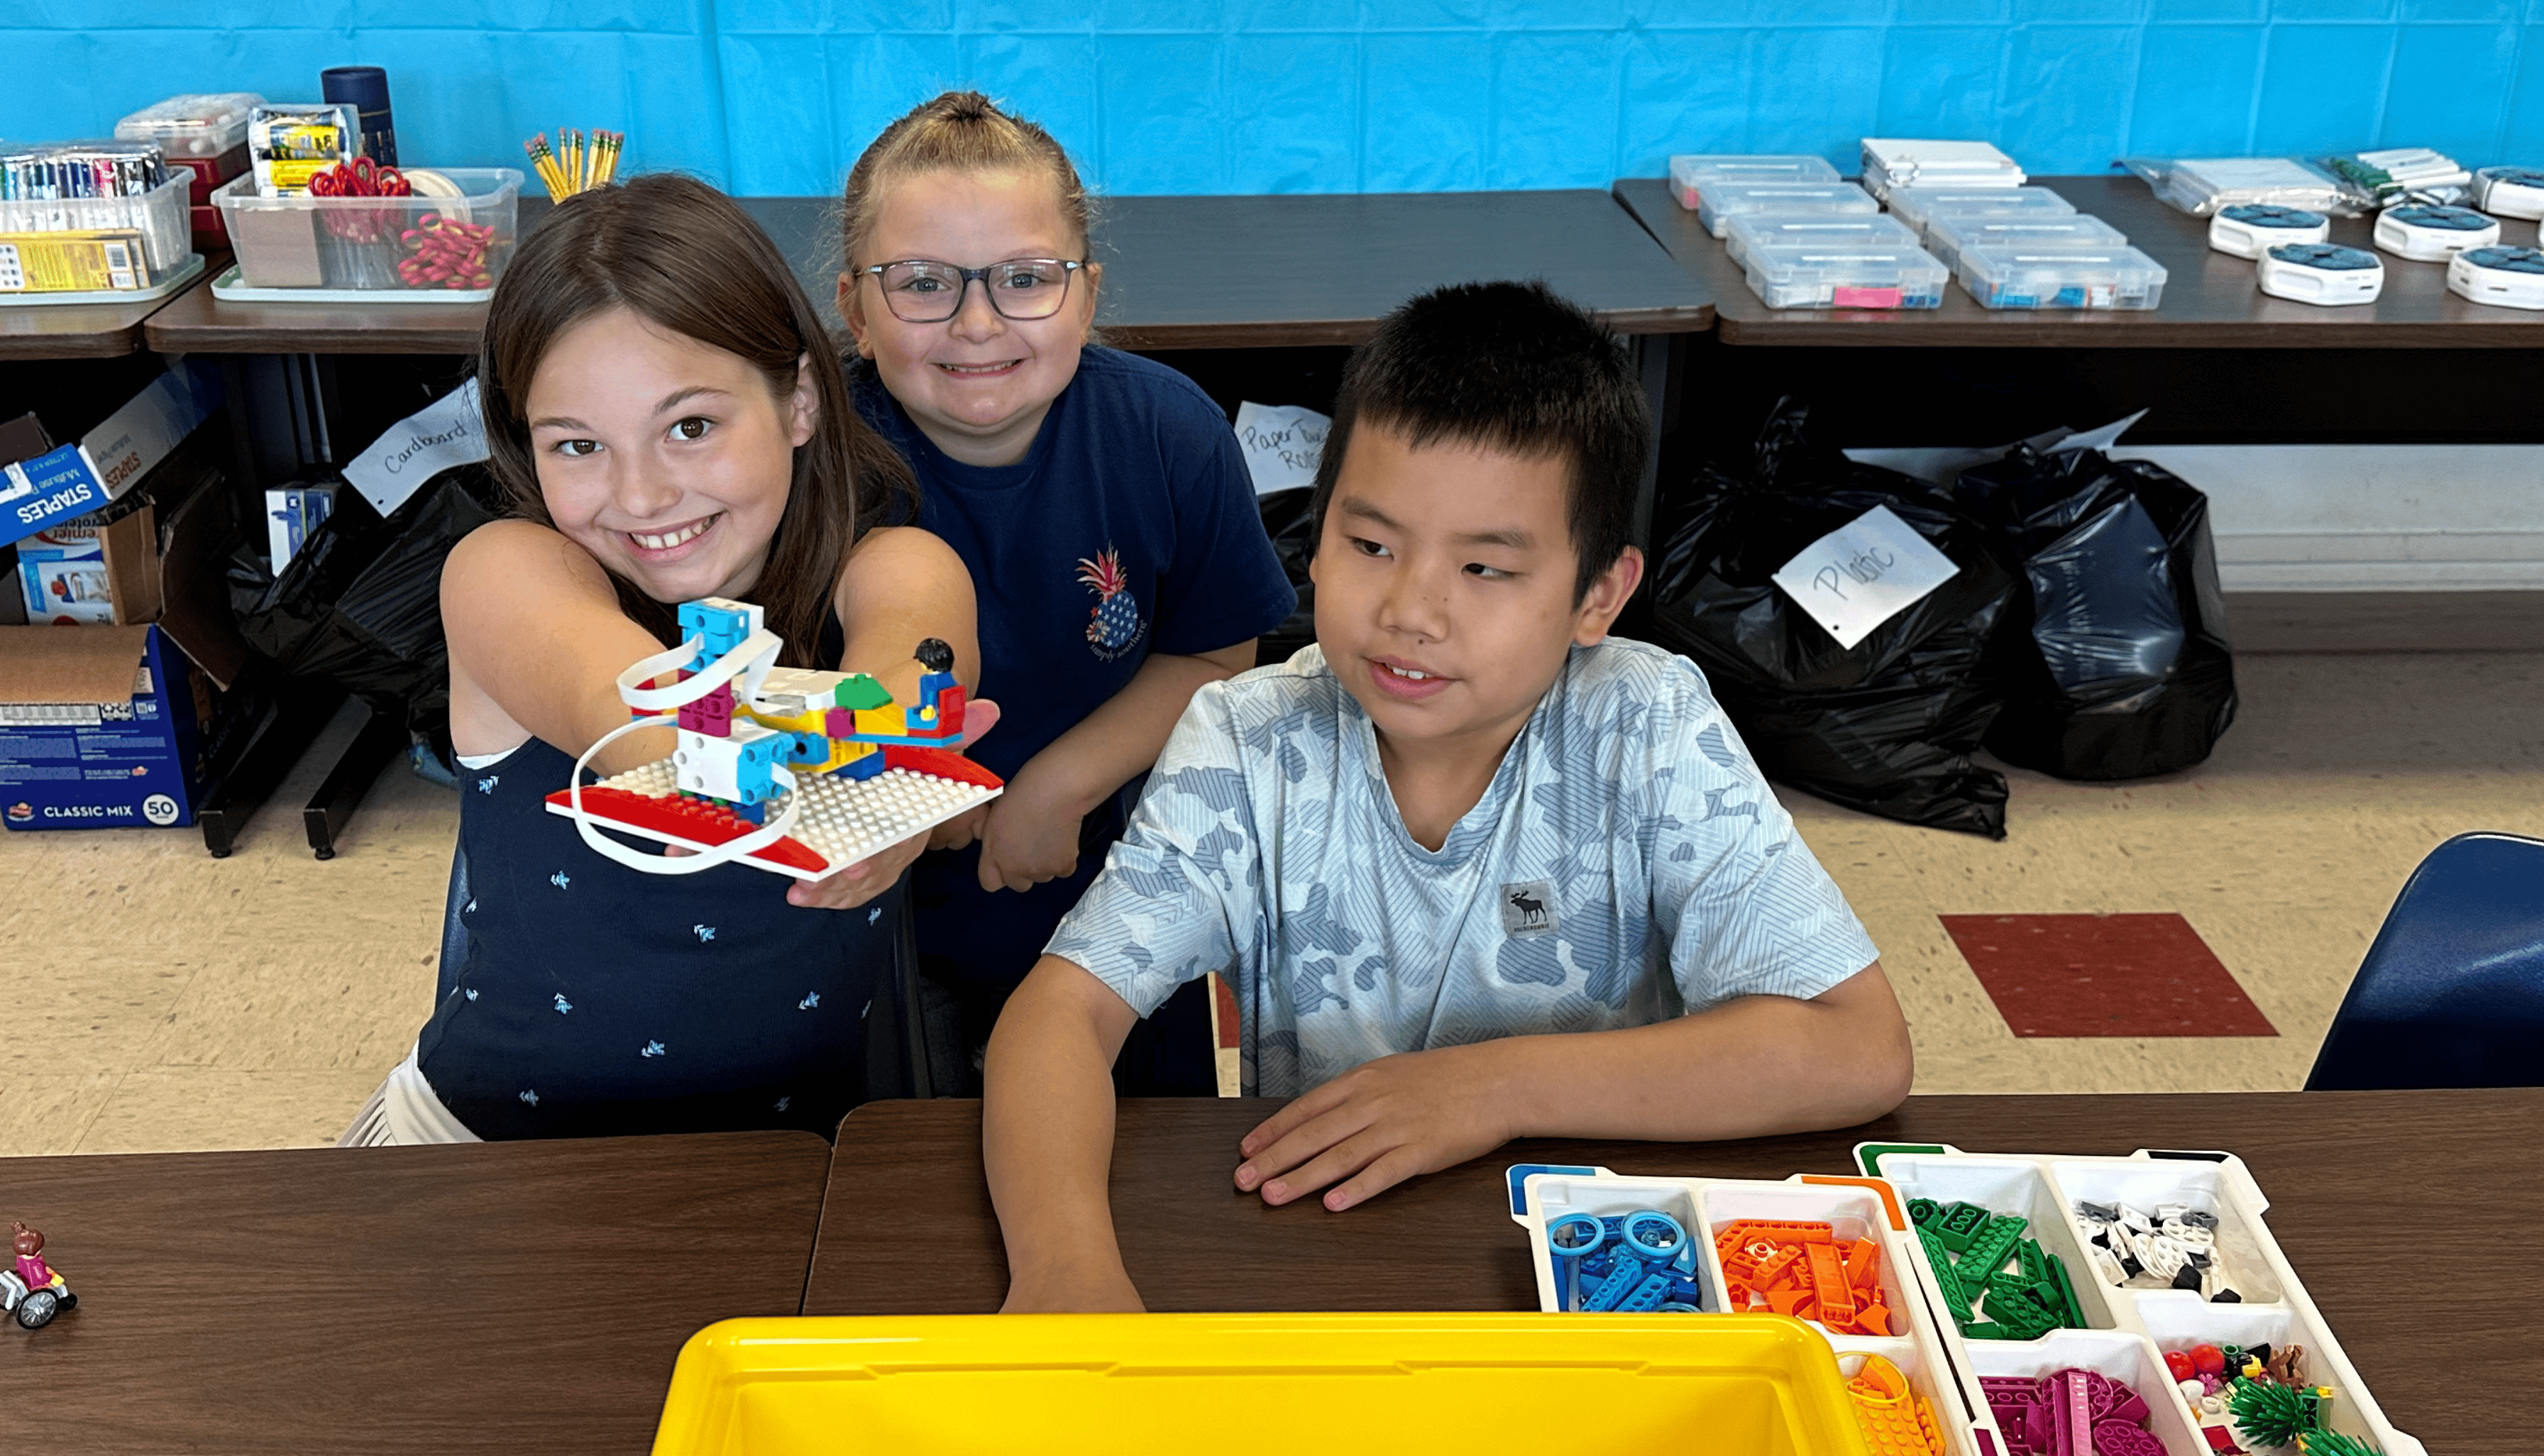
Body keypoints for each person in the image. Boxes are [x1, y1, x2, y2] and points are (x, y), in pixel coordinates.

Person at [981, 282, 1913, 1311]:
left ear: (1598, 594)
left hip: (1609, 1268)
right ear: (1317, 534)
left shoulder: (1646, 724)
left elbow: (1857, 1044)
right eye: (1371, 546)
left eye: (1484, 567)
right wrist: (1064, 1265)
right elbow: (1060, 1013)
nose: (1411, 610)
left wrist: (1497, 1086)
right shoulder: (1248, 741)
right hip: (1333, 1255)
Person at [341, 175, 990, 1145]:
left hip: (798, 1164)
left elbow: (916, 663)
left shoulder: (898, 561)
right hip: (480, 1154)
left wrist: (904, 758)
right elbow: (643, 727)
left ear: (801, 400)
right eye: (578, 445)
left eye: (690, 426)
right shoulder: (503, 572)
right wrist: (880, 772)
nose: (640, 495)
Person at [835, 91, 1298, 1090]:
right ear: (855, 310)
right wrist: (909, 792)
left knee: (1142, 1144)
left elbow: (1218, 652)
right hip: (879, 896)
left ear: (1086, 295)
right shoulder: (817, 460)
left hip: (1107, 867)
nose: (976, 323)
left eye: (1025, 279)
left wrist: (1060, 785)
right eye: (921, 283)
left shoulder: (1171, 434)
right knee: (898, 1167)